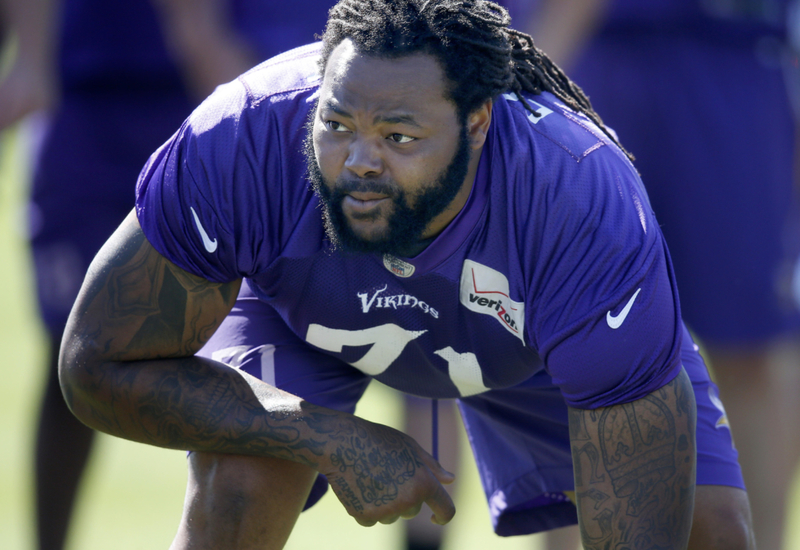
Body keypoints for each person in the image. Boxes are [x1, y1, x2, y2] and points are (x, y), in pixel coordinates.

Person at [58, 0, 756, 548]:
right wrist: (321, 435)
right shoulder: (245, 138)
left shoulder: (576, 196)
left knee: (712, 534)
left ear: (478, 123)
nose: (361, 159)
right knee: (240, 487)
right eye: (338, 125)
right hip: (300, 307)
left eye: (399, 136)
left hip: (533, 339)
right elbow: (95, 363)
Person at [0, 1, 331, 549]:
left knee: (240, 349)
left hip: (198, 101)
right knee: (74, 344)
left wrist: (216, 52)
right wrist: (31, 55)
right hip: (81, 99)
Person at [501, 1, 800, 548]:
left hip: (733, 56)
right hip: (590, 58)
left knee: (752, 347)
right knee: (569, 348)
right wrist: (522, 80)